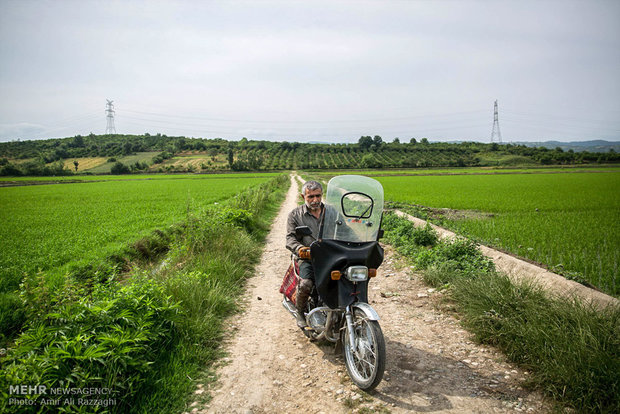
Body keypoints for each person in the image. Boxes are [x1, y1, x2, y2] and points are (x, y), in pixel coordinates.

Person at [286, 180, 324, 328]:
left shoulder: (331, 212)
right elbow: (290, 238)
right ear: (303, 197)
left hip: (330, 255)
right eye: (311, 197)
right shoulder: (295, 215)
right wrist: (300, 248)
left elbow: (344, 229)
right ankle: (300, 312)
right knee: (306, 284)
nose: (315, 200)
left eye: (318, 196)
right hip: (308, 257)